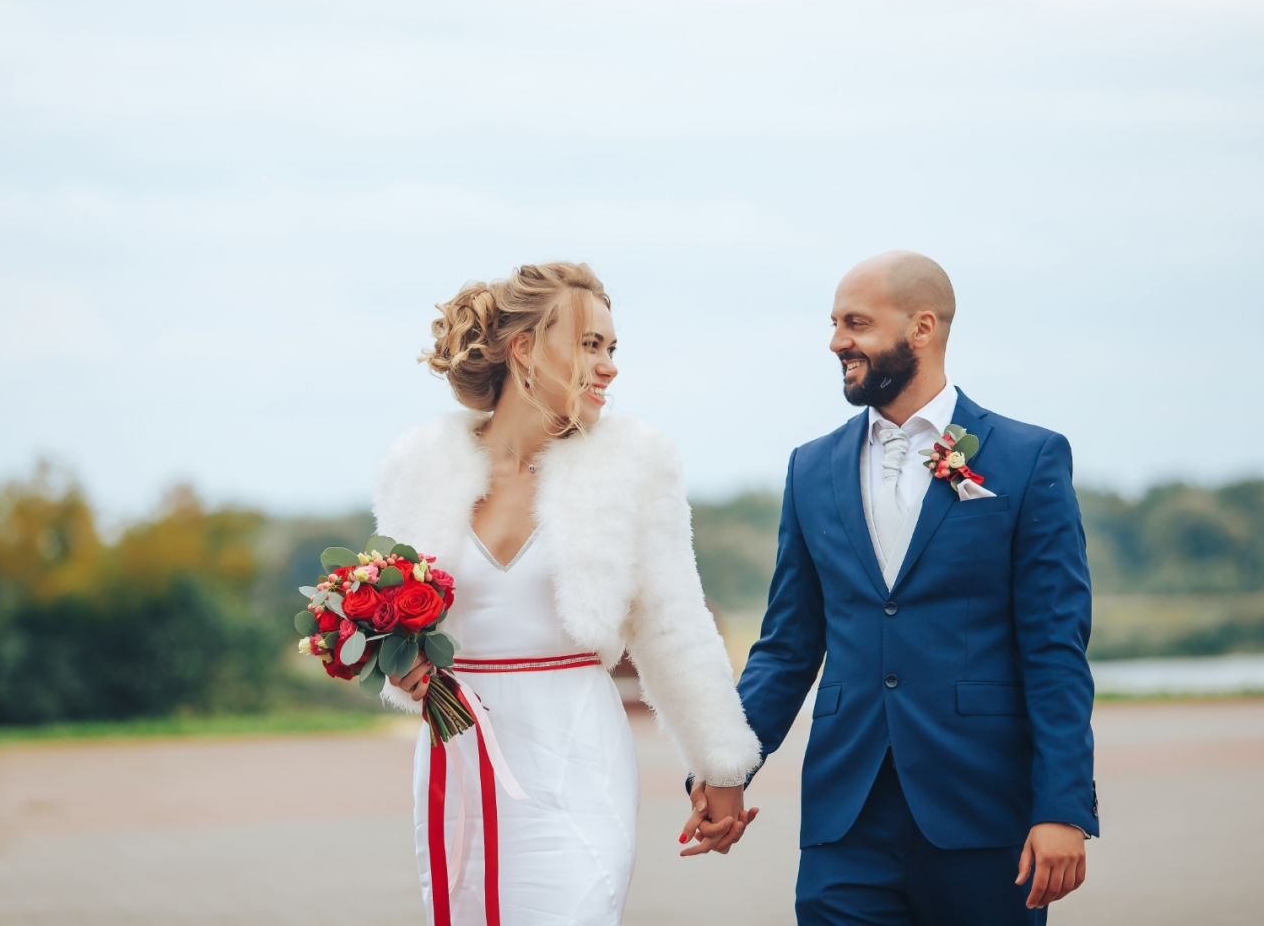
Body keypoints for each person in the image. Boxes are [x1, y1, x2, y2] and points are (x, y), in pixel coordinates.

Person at [378, 261, 762, 926]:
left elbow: (673, 623)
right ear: (523, 348)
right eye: (590, 345)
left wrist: (720, 765)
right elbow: (387, 615)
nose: (608, 366)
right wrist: (400, 668)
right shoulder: (420, 466)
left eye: (612, 349)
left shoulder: (632, 462)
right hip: (455, 757)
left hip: (575, 755)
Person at [729, 251, 1098, 925]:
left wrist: (1063, 809)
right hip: (846, 821)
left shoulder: (1027, 458)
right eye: (835, 323)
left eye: (856, 323)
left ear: (921, 328)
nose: (837, 341)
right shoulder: (811, 469)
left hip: (984, 815)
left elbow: (1054, 651)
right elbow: (787, 648)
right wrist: (723, 769)